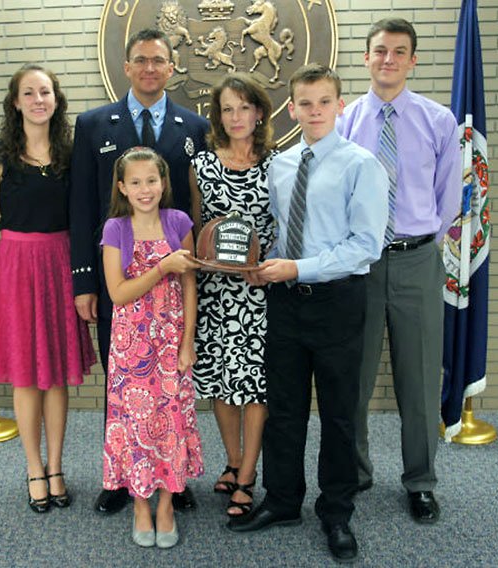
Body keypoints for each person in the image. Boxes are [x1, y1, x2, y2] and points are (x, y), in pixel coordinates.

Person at [227, 64, 388, 564]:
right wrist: (262, 267)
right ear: (290, 108)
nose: (314, 111)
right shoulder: (281, 164)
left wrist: (297, 266)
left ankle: (336, 511)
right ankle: (283, 500)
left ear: (340, 106)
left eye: (324, 102)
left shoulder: (362, 165)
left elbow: (366, 246)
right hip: (284, 304)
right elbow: (280, 228)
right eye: (305, 103)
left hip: (338, 301)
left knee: (339, 414)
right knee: (285, 408)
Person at [69, 28, 208, 514]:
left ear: (172, 68)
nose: (150, 68)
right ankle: (120, 479)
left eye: (159, 61)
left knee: (169, 388)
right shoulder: (91, 125)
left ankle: (172, 476)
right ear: (126, 67)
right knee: (122, 382)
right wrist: (84, 281)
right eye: (141, 60)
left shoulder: (194, 126)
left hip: (173, 289)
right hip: (119, 281)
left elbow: (196, 205)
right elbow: (82, 205)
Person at [336, 18, 461, 524]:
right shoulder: (345, 122)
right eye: (380, 50)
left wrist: (415, 238)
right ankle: (358, 471)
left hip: (415, 262)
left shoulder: (438, 120)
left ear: (413, 61)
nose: (388, 59)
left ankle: (420, 481)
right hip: (359, 266)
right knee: (354, 378)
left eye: (399, 52)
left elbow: (448, 198)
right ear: (365, 58)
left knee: (419, 377)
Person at [0, 64, 96, 514]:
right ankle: (33, 467)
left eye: (44, 91)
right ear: (16, 102)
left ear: (56, 98)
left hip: (61, 266)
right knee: (28, 376)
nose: (38, 100)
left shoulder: (72, 153)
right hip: (14, 270)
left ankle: (58, 466)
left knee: (58, 375)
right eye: (29, 93)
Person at [100, 147, 204, 548]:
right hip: (131, 347)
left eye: (152, 181)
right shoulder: (115, 230)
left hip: (170, 344)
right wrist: (162, 267)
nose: (146, 189)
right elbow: (118, 293)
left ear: (164, 183)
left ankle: (166, 504)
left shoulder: (178, 222)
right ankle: (140, 504)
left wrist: (188, 340)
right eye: (136, 182)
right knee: (136, 426)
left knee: (171, 425)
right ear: (123, 187)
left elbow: (190, 284)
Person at [189, 73, 276, 518]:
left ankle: (248, 475)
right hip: (216, 293)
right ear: (218, 116)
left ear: (259, 112)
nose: (236, 116)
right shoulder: (201, 165)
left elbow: (285, 227)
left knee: (255, 385)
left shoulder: (278, 163)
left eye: (244, 107)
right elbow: (193, 228)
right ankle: (233, 459)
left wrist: (271, 268)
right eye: (227, 108)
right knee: (222, 381)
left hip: (260, 292)